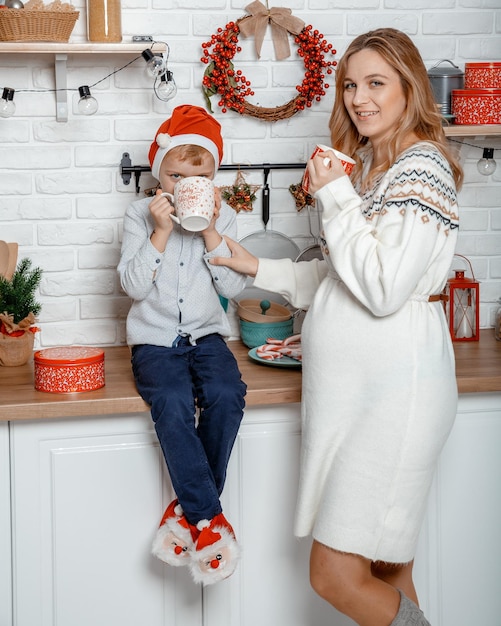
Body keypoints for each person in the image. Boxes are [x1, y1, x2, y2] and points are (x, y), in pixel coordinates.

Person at [210, 28, 462, 624]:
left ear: (410, 88)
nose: (358, 98)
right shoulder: (382, 165)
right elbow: (341, 275)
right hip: (367, 393)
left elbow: (382, 289)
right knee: (386, 570)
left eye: (376, 83)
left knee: (335, 574)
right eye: (351, 84)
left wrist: (338, 197)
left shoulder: (422, 168)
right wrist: (251, 265)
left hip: (397, 395)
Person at [117, 105, 247, 586]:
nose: (183, 186)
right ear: (159, 174)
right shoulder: (139, 215)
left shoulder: (225, 214)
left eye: (199, 176)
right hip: (153, 341)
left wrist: (211, 229)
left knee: (227, 395)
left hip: (207, 336)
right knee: (171, 402)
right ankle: (209, 519)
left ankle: (188, 513)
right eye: (174, 175)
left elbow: (232, 291)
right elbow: (132, 286)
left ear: (213, 179)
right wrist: (161, 232)